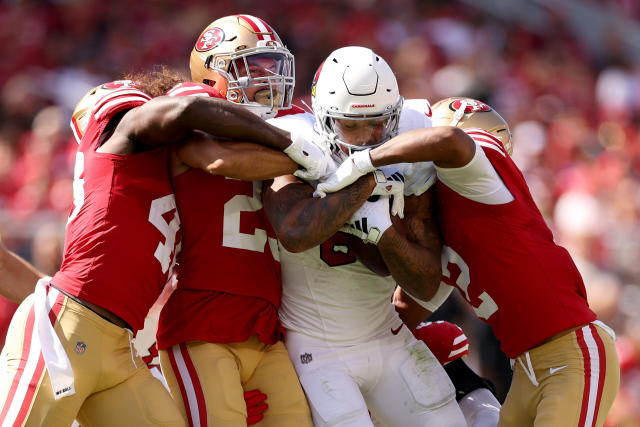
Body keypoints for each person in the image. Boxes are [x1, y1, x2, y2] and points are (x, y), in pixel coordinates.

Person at [0, 71, 315, 427]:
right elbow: (184, 111)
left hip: (119, 345)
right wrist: (295, 145)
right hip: (73, 330)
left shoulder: (164, 175)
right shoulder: (120, 135)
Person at [316, 97, 620, 427]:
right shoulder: (438, 228)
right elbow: (402, 313)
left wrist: (364, 160)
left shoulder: (478, 176)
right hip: (525, 371)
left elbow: (450, 141)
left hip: (572, 355)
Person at [263, 46, 466, 427]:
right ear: (323, 118)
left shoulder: (410, 136)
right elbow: (295, 232)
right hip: (317, 349)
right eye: (350, 125)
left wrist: (385, 233)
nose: (368, 137)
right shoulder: (296, 137)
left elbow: (424, 283)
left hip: (387, 336)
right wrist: (362, 186)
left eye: (378, 123)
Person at [155, 15, 322, 427]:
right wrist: (315, 158)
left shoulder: (281, 130)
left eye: (272, 65)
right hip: (203, 323)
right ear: (211, 74)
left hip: (266, 330)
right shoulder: (190, 129)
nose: (267, 79)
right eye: (252, 66)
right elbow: (221, 159)